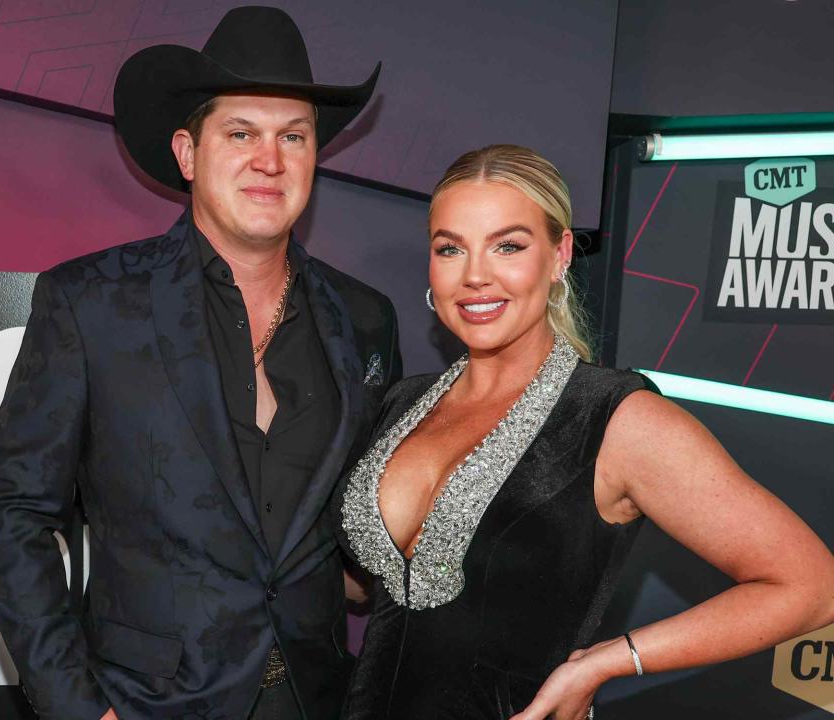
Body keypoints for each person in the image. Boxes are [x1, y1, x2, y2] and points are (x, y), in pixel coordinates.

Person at [0, 7, 401, 720]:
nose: (270, 159)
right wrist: (81, 711)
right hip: (145, 703)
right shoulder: (90, 303)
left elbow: (365, 524)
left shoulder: (365, 319)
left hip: (318, 699)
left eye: (292, 136)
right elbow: (15, 515)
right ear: (187, 153)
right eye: (241, 133)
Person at [337, 144, 834, 720]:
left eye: (509, 245)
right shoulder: (402, 404)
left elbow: (811, 585)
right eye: (451, 248)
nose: (475, 275)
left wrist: (607, 661)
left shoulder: (616, 419)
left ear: (559, 254)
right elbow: (367, 586)